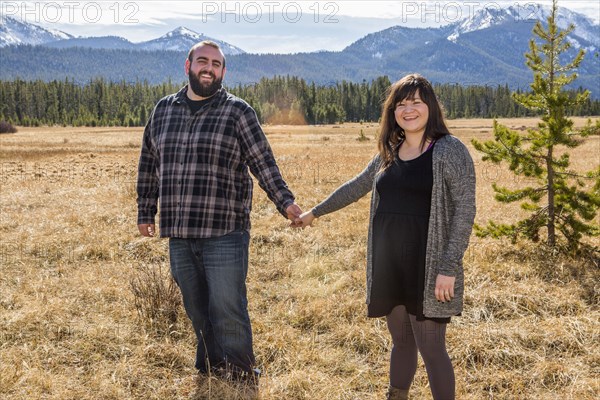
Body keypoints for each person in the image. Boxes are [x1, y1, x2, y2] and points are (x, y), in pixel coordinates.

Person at [295, 74, 476, 400]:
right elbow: (356, 186)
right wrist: (314, 212)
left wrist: (448, 267)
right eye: (401, 104)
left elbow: (465, 210)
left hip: (429, 265)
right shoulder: (389, 151)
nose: (409, 110)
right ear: (393, 112)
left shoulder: (449, 150)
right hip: (389, 263)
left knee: (432, 348)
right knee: (402, 341)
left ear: (430, 107)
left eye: (416, 102)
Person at [136, 40, 302, 384]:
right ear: (188, 66)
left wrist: (285, 202)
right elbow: (148, 163)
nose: (208, 68)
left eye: (216, 63)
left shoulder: (237, 112)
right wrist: (145, 211)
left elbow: (263, 162)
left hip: (225, 230)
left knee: (227, 307)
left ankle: (241, 374)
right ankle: (210, 367)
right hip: (179, 230)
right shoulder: (163, 111)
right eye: (202, 61)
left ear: (223, 71)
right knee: (196, 306)